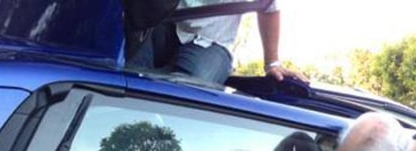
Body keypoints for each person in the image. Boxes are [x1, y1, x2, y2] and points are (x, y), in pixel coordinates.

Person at [124, 0, 307, 85]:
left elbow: (269, 8)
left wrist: (272, 63)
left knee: (188, 91)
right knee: (128, 77)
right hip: (162, 26)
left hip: (211, 43)